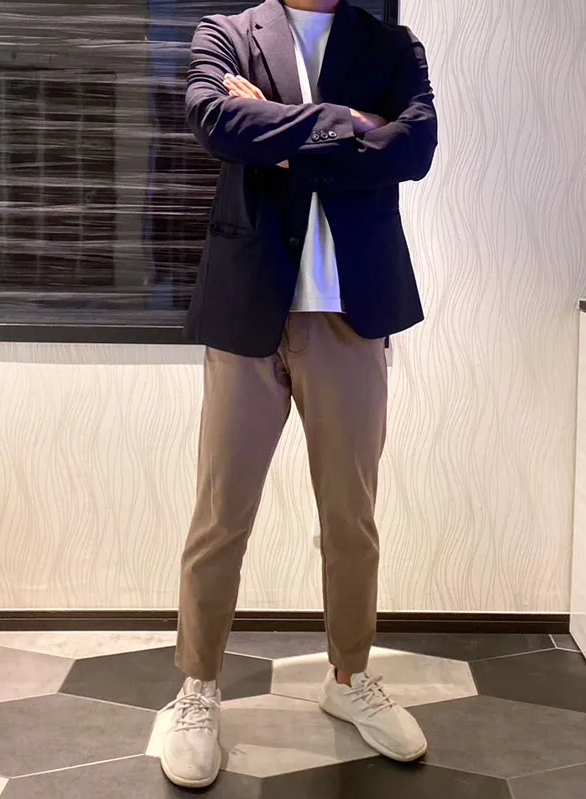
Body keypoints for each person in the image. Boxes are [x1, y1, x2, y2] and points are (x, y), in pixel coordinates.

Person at [160, 0, 438, 788]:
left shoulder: (391, 46)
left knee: (351, 519)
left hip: (351, 316)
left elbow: (415, 147)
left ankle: (349, 677)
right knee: (220, 514)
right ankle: (199, 685)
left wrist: (280, 137)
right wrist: (349, 125)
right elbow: (214, 121)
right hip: (248, 309)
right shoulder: (226, 33)